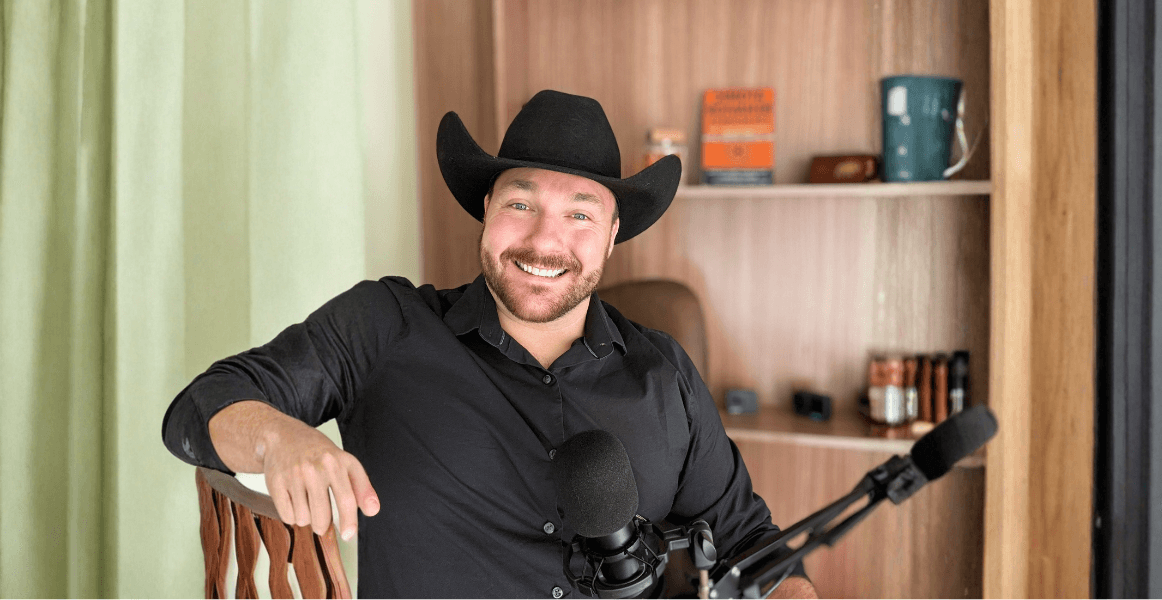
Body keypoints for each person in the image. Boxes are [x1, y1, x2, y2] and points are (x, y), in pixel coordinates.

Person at [162, 90, 816, 599]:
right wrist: (278, 438)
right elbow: (198, 409)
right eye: (521, 205)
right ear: (486, 209)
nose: (545, 241)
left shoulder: (665, 373)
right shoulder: (386, 325)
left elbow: (752, 546)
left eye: (580, 214)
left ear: (613, 235)